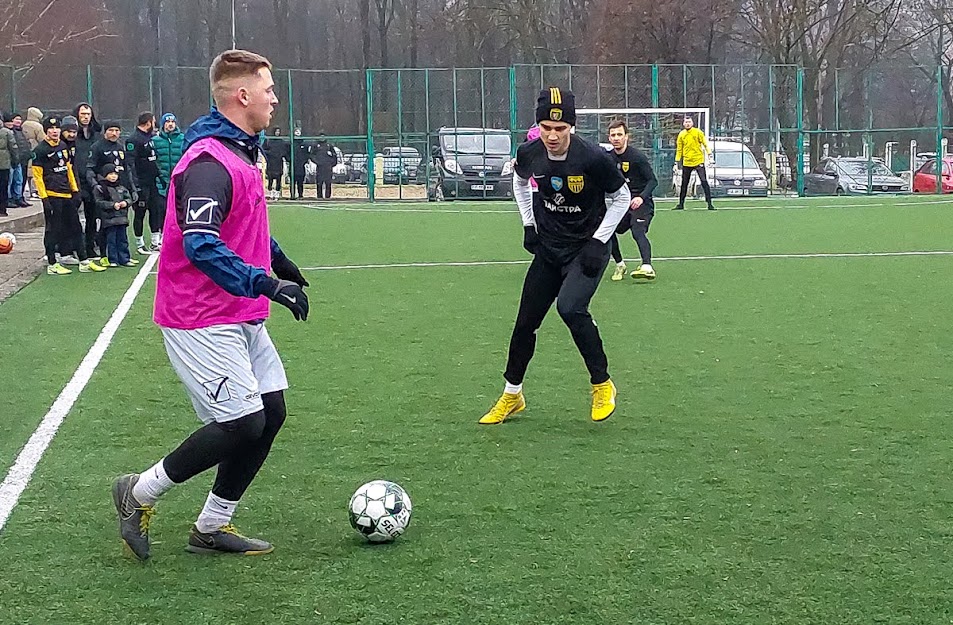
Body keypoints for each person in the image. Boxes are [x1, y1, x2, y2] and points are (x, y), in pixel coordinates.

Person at [112, 49, 311, 561]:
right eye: (269, 90)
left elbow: (242, 225)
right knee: (243, 422)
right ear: (242, 96)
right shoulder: (207, 162)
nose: (275, 99)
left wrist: (280, 262)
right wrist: (265, 284)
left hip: (236, 311)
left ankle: (211, 526)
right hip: (198, 315)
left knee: (270, 411)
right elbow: (202, 245)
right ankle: (137, 493)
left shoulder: (244, 151)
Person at [479, 88, 631, 425]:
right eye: (546, 127)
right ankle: (512, 395)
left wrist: (598, 241)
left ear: (572, 128)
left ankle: (602, 384)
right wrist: (528, 224)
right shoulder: (530, 152)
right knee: (525, 324)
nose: (552, 135)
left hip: (586, 249)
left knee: (570, 308)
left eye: (560, 129)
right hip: (550, 248)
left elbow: (622, 198)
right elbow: (520, 184)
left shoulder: (593, 158)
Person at [32, 115, 106, 275]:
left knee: (76, 227)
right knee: (53, 229)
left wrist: (75, 190)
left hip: (67, 194)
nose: (54, 131)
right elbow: (37, 176)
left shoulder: (63, 146)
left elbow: (69, 169)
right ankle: (52, 262)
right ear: (45, 131)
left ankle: (84, 261)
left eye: (56, 128)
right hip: (52, 195)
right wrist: (44, 198)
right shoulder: (40, 150)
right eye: (51, 128)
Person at [605, 120, 658, 281]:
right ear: (609, 138)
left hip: (642, 203)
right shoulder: (608, 159)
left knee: (637, 230)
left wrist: (640, 197)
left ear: (627, 137)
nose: (616, 138)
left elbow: (652, 181)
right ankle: (620, 264)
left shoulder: (637, 157)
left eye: (619, 134)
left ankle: (647, 266)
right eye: (613, 135)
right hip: (621, 203)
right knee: (608, 230)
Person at [126, 112, 164, 253]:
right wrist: (135, 185)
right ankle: (139, 243)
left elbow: (153, 160)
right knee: (140, 212)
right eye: (153, 121)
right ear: (148, 122)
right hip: (141, 183)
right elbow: (131, 163)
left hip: (152, 182)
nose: (154, 124)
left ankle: (155, 241)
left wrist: (159, 176)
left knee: (155, 211)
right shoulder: (133, 139)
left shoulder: (151, 137)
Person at [74, 102, 103, 258]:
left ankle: (90, 246)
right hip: (76, 181)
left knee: (92, 216)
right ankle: (72, 247)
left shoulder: (97, 135)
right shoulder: (71, 135)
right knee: (73, 217)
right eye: (82, 114)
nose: (85, 117)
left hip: (92, 181)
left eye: (88, 114)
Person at [94, 164, 136, 267]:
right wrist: (112, 205)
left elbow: (129, 198)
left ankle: (125, 259)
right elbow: (99, 202)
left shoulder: (121, 187)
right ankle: (113, 259)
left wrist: (125, 203)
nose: (113, 176)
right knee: (111, 240)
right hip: (109, 220)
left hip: (122, 219)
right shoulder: (100, 188)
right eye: (110, 174)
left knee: (123, 240)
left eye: (115, 174)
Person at [674, 116, 713, 210]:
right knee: (684, 183)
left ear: (692, 123)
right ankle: (681, 204)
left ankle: (709, 204)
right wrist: (676, 162)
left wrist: (709, 154)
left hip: (698, 161)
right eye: (686, 122)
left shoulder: (698, 132)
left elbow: (705, 143)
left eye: (689, 122)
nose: (687, 123)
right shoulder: (681, 134)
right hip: (687, 162)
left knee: (704, 181)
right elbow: (679, 149)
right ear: (683, 124)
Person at [154, 112, 185, 216]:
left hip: (179, 181)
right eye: (167, 122)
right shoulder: (155, 141)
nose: (170, 124)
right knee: (162, 211)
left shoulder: (183, 139)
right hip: (161, 182)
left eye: (172, 122)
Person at [6, 114, 31, 208]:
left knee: (19, 180)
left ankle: (19, 197)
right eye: (16, 119)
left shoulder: (19, 131)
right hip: (11, 159)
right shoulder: (9, 132)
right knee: (11, 180)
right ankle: (10, 198)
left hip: (20, 159)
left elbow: (23, 145)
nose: (18, 121)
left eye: (20, 119)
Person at [22, 107, 45, 199]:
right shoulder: (38, 126)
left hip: (25, 149)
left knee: (27, 170)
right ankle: (35, 190)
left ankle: (27, 190)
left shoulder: (24, 124)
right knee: (35, 170)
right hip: (35, 148)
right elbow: (42, 139)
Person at [262, 128, 288, 200]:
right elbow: (263, 150)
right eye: (276, 131)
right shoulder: (268, 141)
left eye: (279, 131)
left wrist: (281, 155)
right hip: (271, 162)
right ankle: (271, 193)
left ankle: (277, 194)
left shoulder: (282, 142)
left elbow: (285, 151)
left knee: (278, 179)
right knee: (270, 179)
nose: (277, 133)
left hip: (279, 162)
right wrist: (270, 154)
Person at [0, 113, 18, 217]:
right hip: (4, 164)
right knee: (3, 187)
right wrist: (15, 161)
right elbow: (13, 148)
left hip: (4, 164)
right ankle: (2, 209)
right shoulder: (7, 132)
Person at [312, 133, 337, 199]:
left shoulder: (329, 145)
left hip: (328, 167)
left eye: (323, 136)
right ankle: (319, 197)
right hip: (320, 167)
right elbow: (312, 155)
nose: (322, 138)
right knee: (319, 182)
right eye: (321, 136)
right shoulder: (316, 145)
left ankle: (328, 196)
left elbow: (334, 155)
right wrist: (317, 162)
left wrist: (332, 163)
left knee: (328, 182)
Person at [291, 127, 309, 200]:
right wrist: (290, 160)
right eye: (296, 132)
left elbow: (306, 154)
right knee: (293, 182)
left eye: (299, 132)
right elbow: (287, 153)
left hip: (301, 166)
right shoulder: (291, 143)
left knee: (300, 181)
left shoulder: (303, 144)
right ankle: (292, 195)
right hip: (293, 166)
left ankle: (300, 195)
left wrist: (304, 161)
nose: (297, 133)